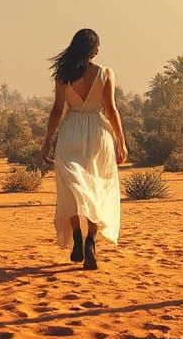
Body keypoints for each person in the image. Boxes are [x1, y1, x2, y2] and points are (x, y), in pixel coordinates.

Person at [41, 28, 127, 270]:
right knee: (95, 186)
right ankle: (91, 240)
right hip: (98, 132)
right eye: (97, 46)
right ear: (91, 49)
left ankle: (77, 236)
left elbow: (57, 111)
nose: (99, 50)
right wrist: (121, 140)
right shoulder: (105, 73)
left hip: (70, 131)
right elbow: (111, 109)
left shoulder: (63, 75)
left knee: (70, 187)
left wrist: (47, 139)